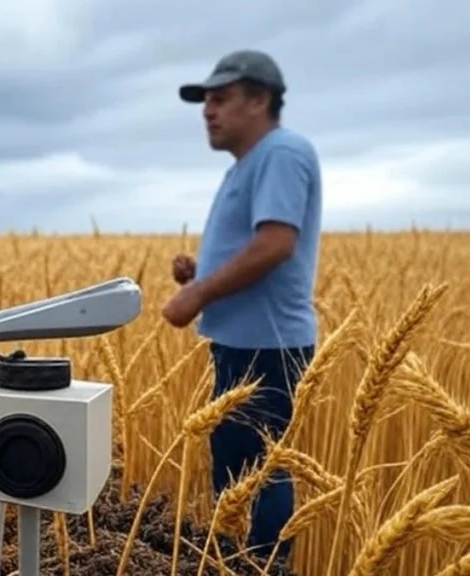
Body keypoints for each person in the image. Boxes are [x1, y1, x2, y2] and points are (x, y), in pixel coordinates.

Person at [160, 49, 323, 565]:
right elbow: (254, 247)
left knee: (262, 470)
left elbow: (276, 244)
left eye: (220, 99)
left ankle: (263, 566)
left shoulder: (282, 152)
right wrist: (200, 273)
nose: (208, 111)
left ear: (260, 99)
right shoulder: (250, 163)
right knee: (236, 470)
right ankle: (238, 562)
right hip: (242, 343)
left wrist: (198, 294)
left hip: (268, 348)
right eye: (204, 101)